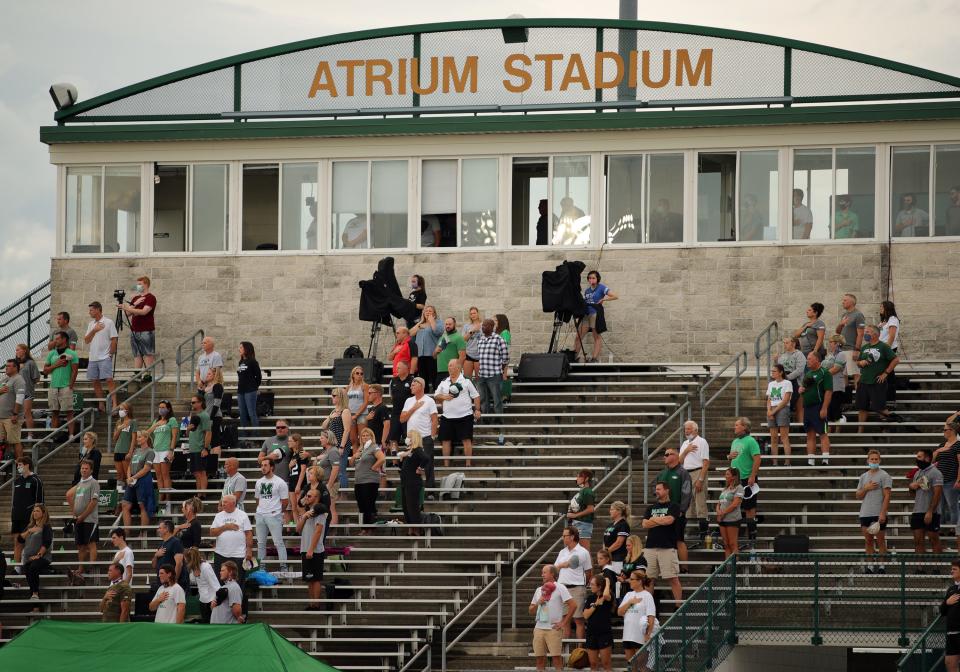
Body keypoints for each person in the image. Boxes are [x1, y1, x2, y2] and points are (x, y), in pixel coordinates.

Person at [641, 482, 683, 604]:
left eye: (659, 489)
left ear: (667, 490)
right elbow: (644, 524)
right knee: (649, 579)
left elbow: (669, 520)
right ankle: (648, 606)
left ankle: (678, 606)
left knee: (673, 578)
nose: (656, 491)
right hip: (650, 547)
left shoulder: (674, 506)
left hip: (667, 547)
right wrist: (660, 520)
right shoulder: (650, 508)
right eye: (656, 489)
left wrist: (653, 520)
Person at [435, 359, 481, 468]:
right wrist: (444, 396)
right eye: (449, 366)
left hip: (465, 415)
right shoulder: (444, 381)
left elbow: (476, 396)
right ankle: (446, 465)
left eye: (451, 365)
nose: (449, 368)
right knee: (445, 440)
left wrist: (477, 409)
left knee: (466, 439)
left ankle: (468, 464)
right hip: (447, 416)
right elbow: (436, 395)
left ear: (458, 368)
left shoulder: (466, 381)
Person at [529, 564, 575, 672]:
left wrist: (563, 622)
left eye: (544, 572)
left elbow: (573, 605)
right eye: (542, 572)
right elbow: (530, 610)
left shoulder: (560, 587)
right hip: (539, 628)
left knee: (556, 658)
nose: (542, 575)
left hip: (553, 628)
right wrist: (537, 603)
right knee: (539, 659)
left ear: (552, 574)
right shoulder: (539, 590)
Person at [856, 325, 901, 430]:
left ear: (875, 334)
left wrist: (885, 373)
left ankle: (886, 429)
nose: (865, 334)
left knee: (880, 407)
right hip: (863, 381)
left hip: (877, 382)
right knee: (862, 408)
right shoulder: (864, 347)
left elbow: (896, 360)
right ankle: (860, 431)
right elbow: (858, 362)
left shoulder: (883, 347)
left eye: (867, 332)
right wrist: (860, 363)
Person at [399, 377, 438, 497]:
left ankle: (430, 491)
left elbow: (434, 419)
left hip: (425, 437)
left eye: (413, 385)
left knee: (428, 464)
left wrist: (432, 436)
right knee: (411, 464)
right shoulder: (409, 401)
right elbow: (402, 419)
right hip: (412, 439)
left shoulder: (429, 400)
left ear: (421, 385)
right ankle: (415, 490)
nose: (411, 387)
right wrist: (413, 408)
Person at [655, 447, 692, 570]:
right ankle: (667, 567)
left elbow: (686, 492)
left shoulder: (683, 472)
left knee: (679, 540)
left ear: (675, 456)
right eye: (664, 455)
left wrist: (682, 510)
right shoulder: (662, 473)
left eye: (667, 454)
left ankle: (685, 568)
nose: (664, 457)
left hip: (677, 511)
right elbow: (653, 489)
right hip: (662, 511)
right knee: (664, 540)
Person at [856, 449, 893, 574]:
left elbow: (887, 495)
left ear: (879, 460)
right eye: (872, 459)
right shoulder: (863, 476)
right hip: (865, 513)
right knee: (868, 541)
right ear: (868, 460)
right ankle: (870, 566)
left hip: (878, 512)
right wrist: (866, 488)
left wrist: (883, 512)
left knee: (881, 540)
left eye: (876, 459)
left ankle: (882, 565)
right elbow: (858, 495)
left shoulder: (884, 475)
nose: (874, 461)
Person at [728, 417, 761, 549]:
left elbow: (757, 459)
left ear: (744, 427)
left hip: (747, 478)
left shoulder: (751, 441)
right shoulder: (735, 441)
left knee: (749, 508)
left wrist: (752, 476)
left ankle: (752, 537)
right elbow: (731, 457)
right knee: (732, 507)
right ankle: (734, 535)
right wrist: (729, 457)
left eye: (737, 425)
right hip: (735, 480)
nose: (734, 427)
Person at [555, 526, 592, 639]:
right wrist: (562, 565)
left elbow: (588, 571)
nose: (563, 538)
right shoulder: (562, 552)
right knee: (565, 620)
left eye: (565, 535)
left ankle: (579, 651)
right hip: (562, 588)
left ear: (572, 537)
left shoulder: (583, 552)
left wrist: (582, 585)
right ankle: (565, 651)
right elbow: (556, 567)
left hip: (577, 588)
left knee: (578, 620)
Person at [66, 458, 99, 584]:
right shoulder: (80, 483)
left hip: (90, 519)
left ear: (91, 470)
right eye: (82, 468)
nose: (84, 470)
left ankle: (91, 567)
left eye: (86, 468)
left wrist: (83, 516)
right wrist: (74, 512)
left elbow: (93, 502)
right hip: (79, 519)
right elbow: (68, 495)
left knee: (91, 543)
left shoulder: (94, 483)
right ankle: (80, 568)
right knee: (80, 545)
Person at [678, 420, 710, 547]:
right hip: (686, 473)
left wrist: (700, 479)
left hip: (698, 471)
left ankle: (703, 533)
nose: (687, 431)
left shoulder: (702, 441)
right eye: (685, 429)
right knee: (687, 503)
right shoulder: (685, 443)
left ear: (696, 430)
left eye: (689, 429)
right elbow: (679, 461)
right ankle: (690, 531)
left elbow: (706, 462)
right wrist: (686, 451)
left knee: (700, 502)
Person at [618, 573, 660, 670]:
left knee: (642, 667)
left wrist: (648, 634)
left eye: (632, 579)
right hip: (628, 635)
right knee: (632, 666)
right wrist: (630, 602)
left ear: (640, 581)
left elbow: (651, 616)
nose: (629, 581)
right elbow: (619, 612)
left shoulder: (647, 596)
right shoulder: (629, 595)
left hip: (640, 636)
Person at [254, 458, 289, 572]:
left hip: (274, 515)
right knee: (260, 543)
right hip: (260, 514)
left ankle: (284, 567)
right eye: (262, 465)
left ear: (272, 467)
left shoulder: (280, 482)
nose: (263, 467)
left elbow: (285, 501)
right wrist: (262, 509)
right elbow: (257, 499)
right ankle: (261, 567)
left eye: (265, 465)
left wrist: (278, 511)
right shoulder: (259, 482)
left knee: (278, 542)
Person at [118, 275, 158, 373]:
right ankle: (137, 375)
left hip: (146, 330)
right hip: (135, 330)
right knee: (137, 354)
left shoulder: (150, 298)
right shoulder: (136, 298)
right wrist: (134, 304)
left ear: (146, 285)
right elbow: (128, 314)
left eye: (140, 284)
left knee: (148, 353)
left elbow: (144, 312)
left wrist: (126, 307)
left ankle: (149, 375)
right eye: (137, 284)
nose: (138, 286)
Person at [799, 351, 833, 466]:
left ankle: (825, 460)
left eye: (809, 359)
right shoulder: (808, 374)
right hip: (807, 408)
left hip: (818, 406)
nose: (807, 361)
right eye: (807, 359)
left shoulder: (825, 373)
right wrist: (801, 390)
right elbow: (804, 388)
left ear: (817, 360)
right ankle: (811, 461)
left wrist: (824, 408)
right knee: (810, 434)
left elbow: (828, 391)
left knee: (822, 433)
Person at [576, 271, 618, 363]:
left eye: (593, 278)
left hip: (595, 313)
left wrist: (603, 299)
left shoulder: (601, 287)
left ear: (597, 279)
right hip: (586, 314)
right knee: (578, 336)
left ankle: (594, 358)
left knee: (596, 336)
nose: (591, 279)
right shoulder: (587, 291)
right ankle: (574, 356)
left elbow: (615, 296)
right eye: (590, 278)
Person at [910, 448, 944, 561]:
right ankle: (920, 568)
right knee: (918, 541)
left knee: (933, 539)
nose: (917, 459)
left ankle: (937, 567)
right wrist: (912, 487)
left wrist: (930, 511)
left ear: (927, 458)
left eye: (919, 457)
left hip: (931, 512)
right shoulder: (917, 473)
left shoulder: (935, 473)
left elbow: (938, 494)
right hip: (917, 511)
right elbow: (912, 494)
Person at [43, 331, 79, 438]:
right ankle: (54, 435)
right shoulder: (51, 353)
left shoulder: (72, 353)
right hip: (53, 385)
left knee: (69, 411)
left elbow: (75, 370)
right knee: (54, 412)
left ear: (64, 340)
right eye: (55, 339)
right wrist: (56, 365)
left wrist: (70, 385)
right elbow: (45, 371)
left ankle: (71, 434)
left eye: (57, 339)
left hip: (65, 386)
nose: (55, 341)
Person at [297, 487, 328, 610]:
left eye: (309, 496)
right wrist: (304, 517)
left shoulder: (321, 512)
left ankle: (316, 604)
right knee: (309, 579)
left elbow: (318, 531)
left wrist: (311, 549)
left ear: (316, 498)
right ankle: (311, 603)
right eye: (306, 496)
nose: (306, 498)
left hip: (315, 550)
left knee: (316, 579)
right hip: (305, 548)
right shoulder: (307, 512)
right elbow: (298, 529)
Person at [83, 301, 118, 410]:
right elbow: (87, 340)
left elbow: (114, 339)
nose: (89, 312)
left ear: (98, 309)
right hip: (93, 357)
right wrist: (94, 330)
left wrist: (110, 354)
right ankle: (101, 403)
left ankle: (114, 403)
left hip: (104, 357)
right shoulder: (91, 324)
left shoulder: (109, 322)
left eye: (91, 310)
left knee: (109, 380)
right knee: (95, 380)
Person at [211, 494, 253, 580]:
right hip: (220, 554)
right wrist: (225, 527)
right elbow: (212, 532)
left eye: (225, 502)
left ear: (233, 503)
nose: (223, 504)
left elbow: (248, 533)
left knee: (238, 579)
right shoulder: (218, 516)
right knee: (220, 580)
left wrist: (249, 550)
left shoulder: (242, 515)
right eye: (223, 502)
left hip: (238, 554)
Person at [350, 426, 385, 533]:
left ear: (371, 436)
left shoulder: (373, 447)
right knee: (361, 505)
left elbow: (382, 458)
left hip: (370, 481)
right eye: (363, 435)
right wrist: (354, 456)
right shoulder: (361, 448)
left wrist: (374, 467)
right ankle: (366, 528)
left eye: (367, 435)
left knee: (368, 504)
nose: (365, 437)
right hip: (359, 481)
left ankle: (368, 529)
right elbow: (351, 463)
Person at [11, 456, 44, 566]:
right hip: (16, 516)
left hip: (29, 517)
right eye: (17, 465)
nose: (18, 467)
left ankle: (28, 565)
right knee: (17, 541)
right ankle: (17, 567)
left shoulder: (36, 480)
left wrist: (38, 518)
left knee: (29, 543)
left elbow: (40, 502)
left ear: (27, 465)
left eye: (20, 465)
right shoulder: (17, 480)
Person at [122, 433, 156, 534]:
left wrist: (134, 477)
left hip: (143, 480)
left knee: (143, 505)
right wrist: (128, 477)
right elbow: (129, 466)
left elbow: (147, 468)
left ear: (146, 438)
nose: (137, 439)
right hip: (132, 479)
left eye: (140, 437)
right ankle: (126, 532)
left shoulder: (150, 452)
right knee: (125, 504)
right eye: (137, 437)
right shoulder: (136, 451)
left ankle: (143, 533)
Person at [475, 318, 509, 417]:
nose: (483, 327)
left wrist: (500, 370)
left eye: (485, 325)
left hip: (494, 375)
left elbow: (505, 358)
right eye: (482, 326)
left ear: (491, 327)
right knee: (483, 399)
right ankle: (486, 419)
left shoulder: (499, 339)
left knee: (497, 400)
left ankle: (498, 421)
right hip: (482, 376)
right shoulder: (480, 339)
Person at [19, 503, 52, 601]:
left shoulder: (46, 527)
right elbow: (20, 539)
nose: (35, 513)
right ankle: (35, 605)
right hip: (28, 558)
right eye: (34, 511)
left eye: (37, 511)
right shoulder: (30, 526)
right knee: (27, 569)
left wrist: (39, 555)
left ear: (43, 513)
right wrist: (29, 531)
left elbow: (47, 542)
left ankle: (35, 593)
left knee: (33, 567)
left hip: (43, 557)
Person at [146, 400, 177, 503]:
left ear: (168, 409)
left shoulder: (172, 420)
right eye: (159, 407)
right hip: (156, 451)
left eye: (163, 407)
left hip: (166, 450)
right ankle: (161, 497)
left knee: (165, 474)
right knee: (158, 476)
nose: (161, 409)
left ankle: (168, 498)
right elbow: (147, 433)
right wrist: (155, 425)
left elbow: (174, 437)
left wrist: (171, 451)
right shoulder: (156, 421)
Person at [398, 430, 428, 535]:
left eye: (409, 436)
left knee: (412, 506)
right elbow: (402, 468)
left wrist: (420, 468)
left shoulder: (417, 450)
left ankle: (417, 529)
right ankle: (410, 527)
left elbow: (426, 458)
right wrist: (401, 459)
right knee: (406, 507)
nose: (407, 438)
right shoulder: (408, 451)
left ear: (414, 438)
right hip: (405, 482)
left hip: (413, 482)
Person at [582, 574, 613, 672]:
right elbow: (586, 615)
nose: (590, 586)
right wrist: (595, 604)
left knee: (606, 664)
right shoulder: (590, 598)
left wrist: (607, 582)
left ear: (599, 586)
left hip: (604, 634)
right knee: (593, 664)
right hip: (591, 634)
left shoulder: (608, 596)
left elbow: (606, 595)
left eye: (592, 584)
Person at [322, 389, 352, 491]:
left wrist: (342, 446)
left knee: (341, 470)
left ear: (340, 397)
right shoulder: (334, 411)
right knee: (333, 470)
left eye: (334, 395)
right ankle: (336, 493)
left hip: (340, 445)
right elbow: (323, 426)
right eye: (332, 395)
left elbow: (347, 430)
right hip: (332, 445)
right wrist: (330, 417)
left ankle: (343, 494)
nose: (332, 397)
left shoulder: (345, 411)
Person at [836, 293, 866, 385]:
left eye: (845, 300)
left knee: (855, 373)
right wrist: (841, 323)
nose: (842, 302)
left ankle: (859, 397)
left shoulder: (858, 315)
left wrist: (857, 350)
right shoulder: (844, 315)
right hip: (841, 349)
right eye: (843, 300)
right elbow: (838, 331)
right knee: (843, 374)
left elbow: (860, 334)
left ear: (852, 302)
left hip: (851, 349)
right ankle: (845, 398)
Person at [410, 305, 442, 392]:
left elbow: (437, 332)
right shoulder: (420, 324)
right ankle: (425, 394)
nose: (428, 312)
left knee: (434, 376)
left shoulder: (438, 322)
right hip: (420, 354)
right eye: (426, 311)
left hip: (432, 354)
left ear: (434, 314)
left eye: (430, 311)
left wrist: (431, 322)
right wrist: (420, 323)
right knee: (423, 378)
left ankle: (436, 395)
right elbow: (411, 333)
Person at [766, 364, 792, 464]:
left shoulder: (787, 383)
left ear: (781, 372)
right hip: (771, 409)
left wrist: (774, 411)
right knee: (773, 438)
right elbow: (768, 399)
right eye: (772, 371)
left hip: (782, 409)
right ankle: (774, 462)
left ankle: (787, 462)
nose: (772, 373)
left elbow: (786, 400)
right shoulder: (771, 384)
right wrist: (769, 411)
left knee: (784, 437)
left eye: (774, 371)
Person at [184, 547, 219, 622]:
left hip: (212, 601)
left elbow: (216, 586)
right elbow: (193, 580)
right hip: (202, 600)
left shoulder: (206, 567)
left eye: (186, 559)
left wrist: (215, 600)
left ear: (191, 560)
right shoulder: (193, 568)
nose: (185, 561)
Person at [938, 422, 960, 540]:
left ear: (951, 430)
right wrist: (939, 451)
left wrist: (958, 479)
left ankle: (953, 528)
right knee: (940, 506)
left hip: (951, 480)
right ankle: (942, 528)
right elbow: (934, 460)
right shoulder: (941, 444)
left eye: (945, 429)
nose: (943, 431)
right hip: (940, 481)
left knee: (952, 505)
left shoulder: (958, 445)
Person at [716, 468, 745, 559]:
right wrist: (718, 512)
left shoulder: (739, 488)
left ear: (734, 477)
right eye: (725, 474)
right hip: (722, 519)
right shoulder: (725, 488)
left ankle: (735, 568)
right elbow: (719, 503)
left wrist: (723, 513)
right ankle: (728, 568)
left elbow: (735, 504)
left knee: (732, 543)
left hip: (732, 519)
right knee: (726, 544)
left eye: (728, 474)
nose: (726, 476)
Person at [823, 335, 850, 433]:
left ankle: (838, 430)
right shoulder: (831, 355)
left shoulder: (841, 354)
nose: (829, 344)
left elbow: (836, 369)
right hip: (829, 386)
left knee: (835, 408)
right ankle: (829, 431)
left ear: (837, 343)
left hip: (837, 385)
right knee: (829, 409)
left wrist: (822, 374)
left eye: (831, 342)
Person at [0, 359, 25, 460]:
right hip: (1, 417)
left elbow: (20, 397)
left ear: (16, 367)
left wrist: (15, 413)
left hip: (11, 417)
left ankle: (21, 466)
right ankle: (7, 467)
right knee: (3, 442)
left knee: (15, 441)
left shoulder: (19, 379)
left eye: (9, 366)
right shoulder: (5, 379)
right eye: (6, 366)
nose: (6, 368)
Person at [187, 395, 212, 491]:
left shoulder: (204, 415)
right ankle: (198, 495)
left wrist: (205, 448)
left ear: (200, 402)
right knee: (196, 473)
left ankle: (202, 495)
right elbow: (190, 433)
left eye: (194, 402)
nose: (192, 404)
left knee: (202, 473)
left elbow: (208, 432)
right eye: (191, 402)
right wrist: (188, 429)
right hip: (193, 448)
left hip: (200, 448)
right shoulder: (195, 416)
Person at [566, 469, 596, 551]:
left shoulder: (588, 492)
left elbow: (591, 509)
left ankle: (589, 564)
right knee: (577, 551)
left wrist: (575, 515)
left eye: (579, 476)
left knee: (585, 551)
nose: (577, 478)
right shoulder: (581, 491)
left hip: (583, 524)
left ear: (586, 479)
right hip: (577, 523)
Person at [152, 520, 187, 590]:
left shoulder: (175, 542)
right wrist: (156, 555)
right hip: (162, 584)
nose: (158, 530)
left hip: (172, 584)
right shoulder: (161, 544)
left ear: (166, 529)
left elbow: (179, 563)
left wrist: (174, 581)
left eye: (160, 528)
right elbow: (153, 565)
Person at [778, 336, 806, 424]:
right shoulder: (782, 356)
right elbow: (778, 368)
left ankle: (801, 427)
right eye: (784, 343)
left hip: (796, 382)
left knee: (799, 406)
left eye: (787, 343)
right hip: (784, 382)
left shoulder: (799, 354)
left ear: (793, 344)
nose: (785, 345)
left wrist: (788, 377)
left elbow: (799, 370)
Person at [434, 317, 467, 390]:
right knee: (439, 394)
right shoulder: (442, 337)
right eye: (446, 324)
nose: (448, 326)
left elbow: (462, 356)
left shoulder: (458, 337)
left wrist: (457, 370)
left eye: (450, 324)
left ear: (454, 324)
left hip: (452, 371)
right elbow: (434, 356)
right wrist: (435, 351)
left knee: (452, 394)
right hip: (440, 371)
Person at [315, 431, 341, 525]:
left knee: (331, 507)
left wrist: (329, 485)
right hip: (324, 483)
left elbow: (335, 468)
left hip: (330, 483)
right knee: (326, 507)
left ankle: (333, 528)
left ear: (328, 438)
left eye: (322, 438)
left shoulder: (333, 451)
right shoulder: (326, 451)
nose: (320, 440)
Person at [879, 301, 902, 405]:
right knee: (884, 373)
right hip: (881, 348)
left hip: (888, 349)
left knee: (889, 373)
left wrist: (886, 349)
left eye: (882, 307)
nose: (880, 309)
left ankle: (890, 399)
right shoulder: (884, 320)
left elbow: (891, 336)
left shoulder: (893, 319)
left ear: (887, 308)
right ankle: (884, 397)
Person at [387, 360, 413, 452]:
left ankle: (409, 459)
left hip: (408, 414)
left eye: (399, 367)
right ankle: (395, 462)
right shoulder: (393, 381)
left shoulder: (412, 380)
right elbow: (391, 396)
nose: (396, 369)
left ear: (406, 368)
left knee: (409, 438)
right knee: (393, 437)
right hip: (396, 413)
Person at [237, 341, 262, 427]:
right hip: (240, 391)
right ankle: (244, 436)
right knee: (242, 414)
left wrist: (254, 387)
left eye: (241, 347)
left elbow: (258, 376)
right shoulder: (240, 362)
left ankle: (256, 435)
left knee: (251, 413)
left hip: (250, 391)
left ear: (246, 349)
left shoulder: (253, 361)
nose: (239, 349)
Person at [14, 345, 39, 432]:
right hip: (15, 392)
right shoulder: (14, 363)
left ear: (24, 350)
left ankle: (30, 435)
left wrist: (28, 384)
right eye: (16, 350)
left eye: (18, 350)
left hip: (27, 392)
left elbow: (36, 378)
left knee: (27, 412)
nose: (16, 352)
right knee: (15, 413)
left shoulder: (30, 363)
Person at [940, 560, 960, 672]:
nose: (951, 571)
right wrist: (947, 602)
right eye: (951, 569)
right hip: (951, 633)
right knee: (949, 663)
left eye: (954, 569)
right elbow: (942, 611)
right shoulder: (951, 589)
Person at [195, 336, 224, 407]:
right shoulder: (201, 357)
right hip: (201, 386)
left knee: (209, 406)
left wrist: (212, 385)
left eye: (205, 343)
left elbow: (217, 372)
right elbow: (197, 372)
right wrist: (199, 382)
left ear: (211, 344)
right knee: (200, 407)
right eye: (202, 343)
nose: (202, 344)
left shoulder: (216, 356)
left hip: (211, 387)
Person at [602, 501, 630, 574]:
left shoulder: (623, 524)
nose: (610, 511)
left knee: (617, 580)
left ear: (619, 511)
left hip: (618, 557)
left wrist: (607, 552)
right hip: (609, 557)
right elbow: (605, 540)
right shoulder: (610, 525)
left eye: (612, 509)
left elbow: (619, 543)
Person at [346, 366, 369, 449]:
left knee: (363, 438)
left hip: (362, 414)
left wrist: (357, 414)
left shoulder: (365, 386)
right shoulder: (348, 387)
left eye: (361, 373)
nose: (359, 375)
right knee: (353, 439)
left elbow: (366, 402)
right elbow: (346, 401)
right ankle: (356, 459)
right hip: (351, 413)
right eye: (357, 373)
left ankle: (363, 458)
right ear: (353, 375)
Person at [364, 384, 391, 451]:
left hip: (378, 443)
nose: (368, 395)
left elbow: (387, 424)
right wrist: (366, 419)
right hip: (371, 443)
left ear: (377, 394)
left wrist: (383, 440)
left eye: (370, 393)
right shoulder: (371, 409)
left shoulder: (382, 407)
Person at [494, 314, 513, 402]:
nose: (494, 322)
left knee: (503, 376)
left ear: (501, 321)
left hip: (502, 358)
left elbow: (505, 346)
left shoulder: (504, 332)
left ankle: (505, 395)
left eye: (496, 320)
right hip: (498, 358)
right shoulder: (498, 332)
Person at [461, 307, 483, 379]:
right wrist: (472, 330)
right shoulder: (466, 326)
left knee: (479, 379)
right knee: (467, 379)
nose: (473, 315)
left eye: (474, 313)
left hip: (480, 355)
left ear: (478, 314)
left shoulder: (483, 325)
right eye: (471, 314)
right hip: (469, 354)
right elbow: (463, 339)